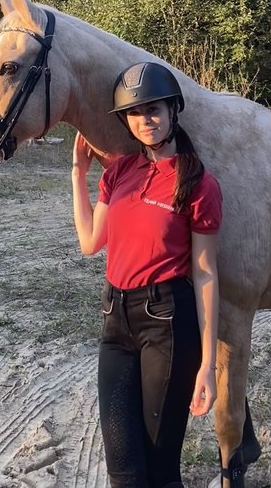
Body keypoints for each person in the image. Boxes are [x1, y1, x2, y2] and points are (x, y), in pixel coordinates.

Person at [72, 61, 222, 488]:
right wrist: (78, 174)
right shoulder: (118, 172)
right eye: (136, 113)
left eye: (154, 108)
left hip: (167, 325)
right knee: (123, 470)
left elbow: (206, 273)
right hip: (115, 322)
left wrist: (207, 366)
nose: (146, 119)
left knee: (160, 470)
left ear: (174, 110)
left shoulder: (196, 184)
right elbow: (89, 242)